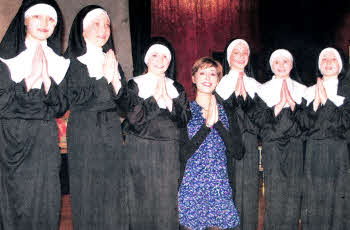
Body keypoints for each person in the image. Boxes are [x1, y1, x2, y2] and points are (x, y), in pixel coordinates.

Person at [0, 0, 69, 229]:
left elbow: (60, 106)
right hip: (12, 140)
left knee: (46, 202)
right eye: (37, 17)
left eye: (51, 19)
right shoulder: (5, 60)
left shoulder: (58, 61)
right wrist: (29, 80)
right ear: (25, 20)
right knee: (14, 203)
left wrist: (48, 81)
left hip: (44, 140)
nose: (44, 23)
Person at [62, 5, 128, 230]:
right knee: (88, 191)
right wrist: (103, 78)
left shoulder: (112, 60)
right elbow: (74, 99)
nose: (104, 30)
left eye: (107, 25)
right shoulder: (70, 61)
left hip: (110, 128)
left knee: (114, 190)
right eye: (96, 24)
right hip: (84, 129)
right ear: (82, 30)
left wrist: (117, 83)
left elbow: (124, 106)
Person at [122, 37, 191, 230]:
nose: (160, 60)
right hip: (140, 150)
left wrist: (169, 102)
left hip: (169, 151)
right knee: (141, 198)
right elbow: (135, 119)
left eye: (165, 56)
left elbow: (185, 118)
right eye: (154, 55)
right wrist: (154, 99)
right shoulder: (134, 84)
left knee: (167, 202)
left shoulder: (176, 87)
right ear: (146, 58)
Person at [178, 57, 244, 230]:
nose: (207, 78)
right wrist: (206, 126)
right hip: (191, 187)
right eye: (202, 73)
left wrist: (218, 124)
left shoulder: (228, 112)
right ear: (193, 78)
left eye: (212, 74)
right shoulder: (185, 111)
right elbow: (183, 154)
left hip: (219, 186)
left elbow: (238, 152)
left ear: (218, 79)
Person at [251, 49, 306, 230]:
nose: (281, 66)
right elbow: (258, 120)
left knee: (293, 194)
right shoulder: (262, 89)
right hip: (272, 147)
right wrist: (277, 108)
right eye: (276, 62)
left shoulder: (302, 90)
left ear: (292, 64)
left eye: (285, 62)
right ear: (271, 65)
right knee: (274, 195)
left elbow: (309, 123)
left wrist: (293, 107)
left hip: (295, 147)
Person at [301, 47, 350, 230]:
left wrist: (326, 102)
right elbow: (302, 125)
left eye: (333, 59)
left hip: (338, 152)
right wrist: (314, 104)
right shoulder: (308, 91)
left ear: (341, 64)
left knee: (338, 202)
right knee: (314, 200)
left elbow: (345, 123)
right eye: (324, 59)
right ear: (319, 65)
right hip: (313, 152)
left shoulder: (347, 90)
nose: (328, 62)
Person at [215, 39, 261, 230]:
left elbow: (261, 122)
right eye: (236, 52)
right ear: (229, 57)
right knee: (230, 193)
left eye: (245, 52)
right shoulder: (220, 84)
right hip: (227, 146)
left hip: (249, 145)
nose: (241, 56)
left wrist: (247, 104)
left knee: (250, 194)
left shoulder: (256, 85)